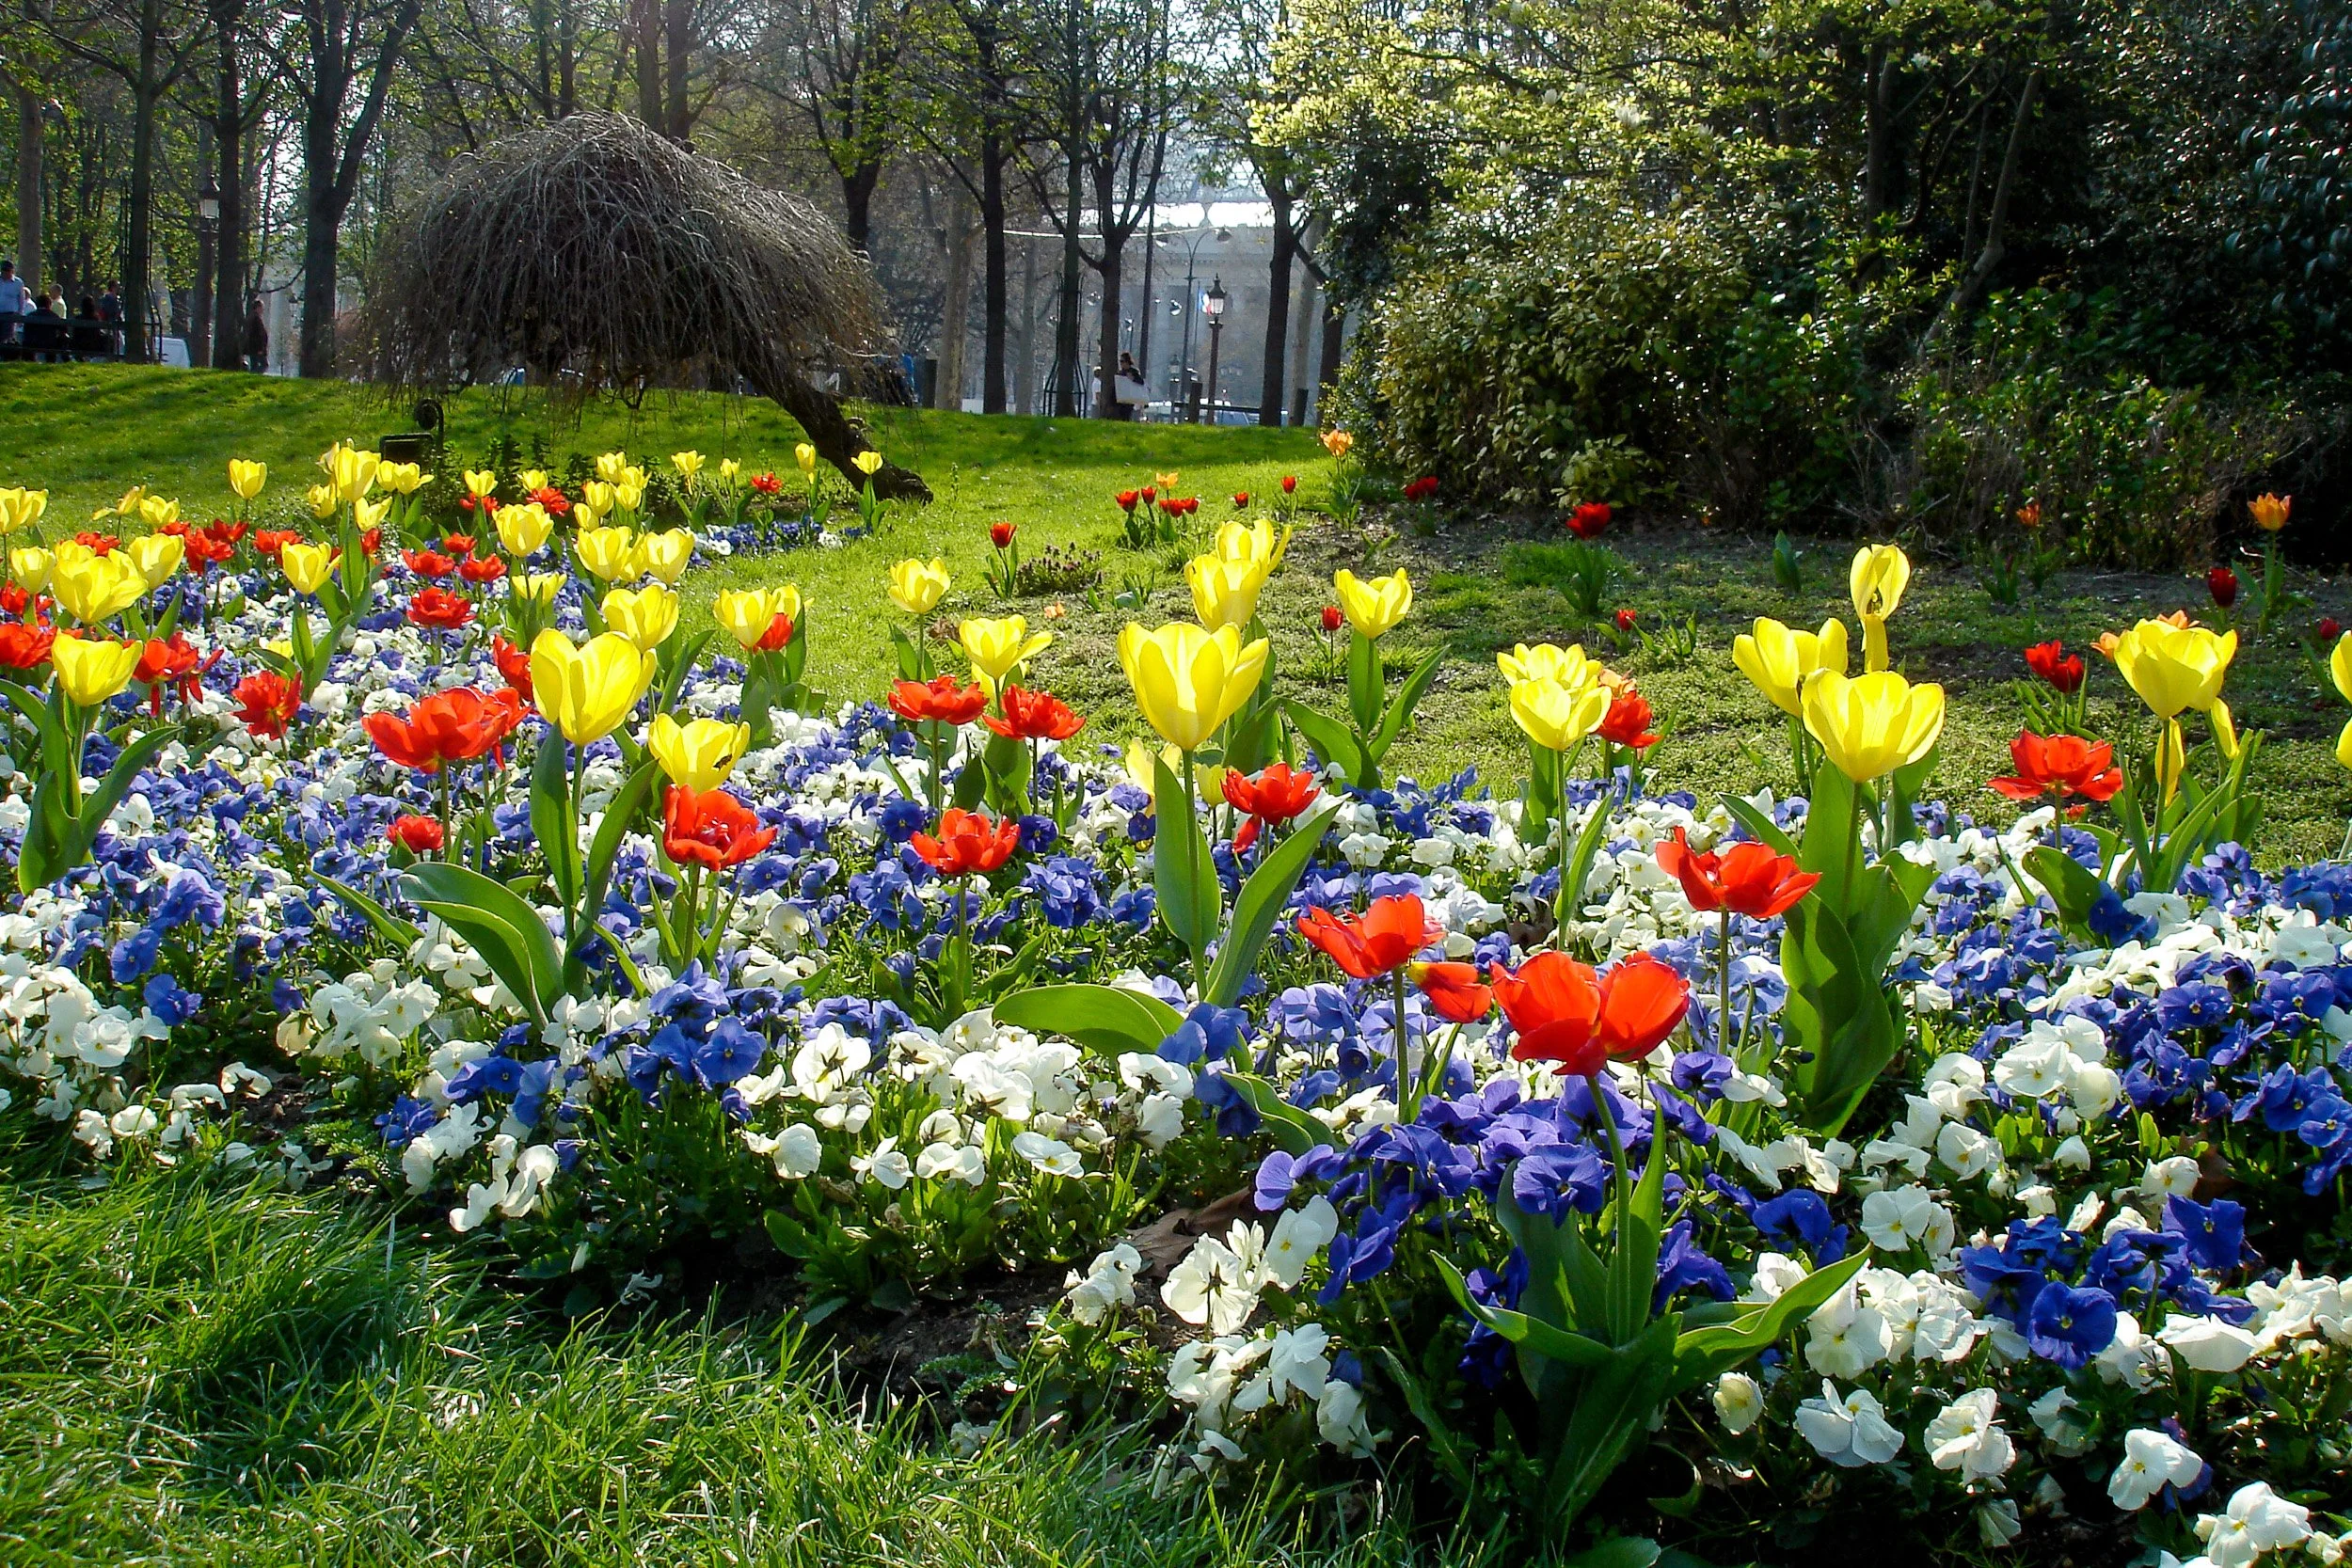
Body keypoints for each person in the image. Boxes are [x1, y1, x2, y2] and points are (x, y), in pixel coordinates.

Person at [23, 293, 63, 360]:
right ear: (49, 304)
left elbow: (26, 330)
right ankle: (51, 363)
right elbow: (63, 330)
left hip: (32, 342)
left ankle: (29, 361)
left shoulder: (30, 316)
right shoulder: (54, 316)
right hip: (50, 344)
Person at [71, 295, 104, 359]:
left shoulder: (78, 318)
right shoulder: (96, 318)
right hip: (94, 345)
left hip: (80, 345)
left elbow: (75, 333)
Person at [0, 261, 24, 346]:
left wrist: (20, 315)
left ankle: (4, 357)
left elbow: (21, 300)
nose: (5, 272)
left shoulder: (18, 283)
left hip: (10, 315)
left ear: (12, 271)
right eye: (3, 270)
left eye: (7, 270)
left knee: (7, 338)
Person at [243, 293, 269, 372]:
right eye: (261, 307)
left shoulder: (253, 318)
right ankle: (253, 375)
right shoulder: (255, 319)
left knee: (254, 365)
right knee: (264, 365)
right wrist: (260, 348)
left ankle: (252, 376)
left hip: (254, 348)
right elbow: (257, 335)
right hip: (256, 348)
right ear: (257, 308)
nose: (263, 310)